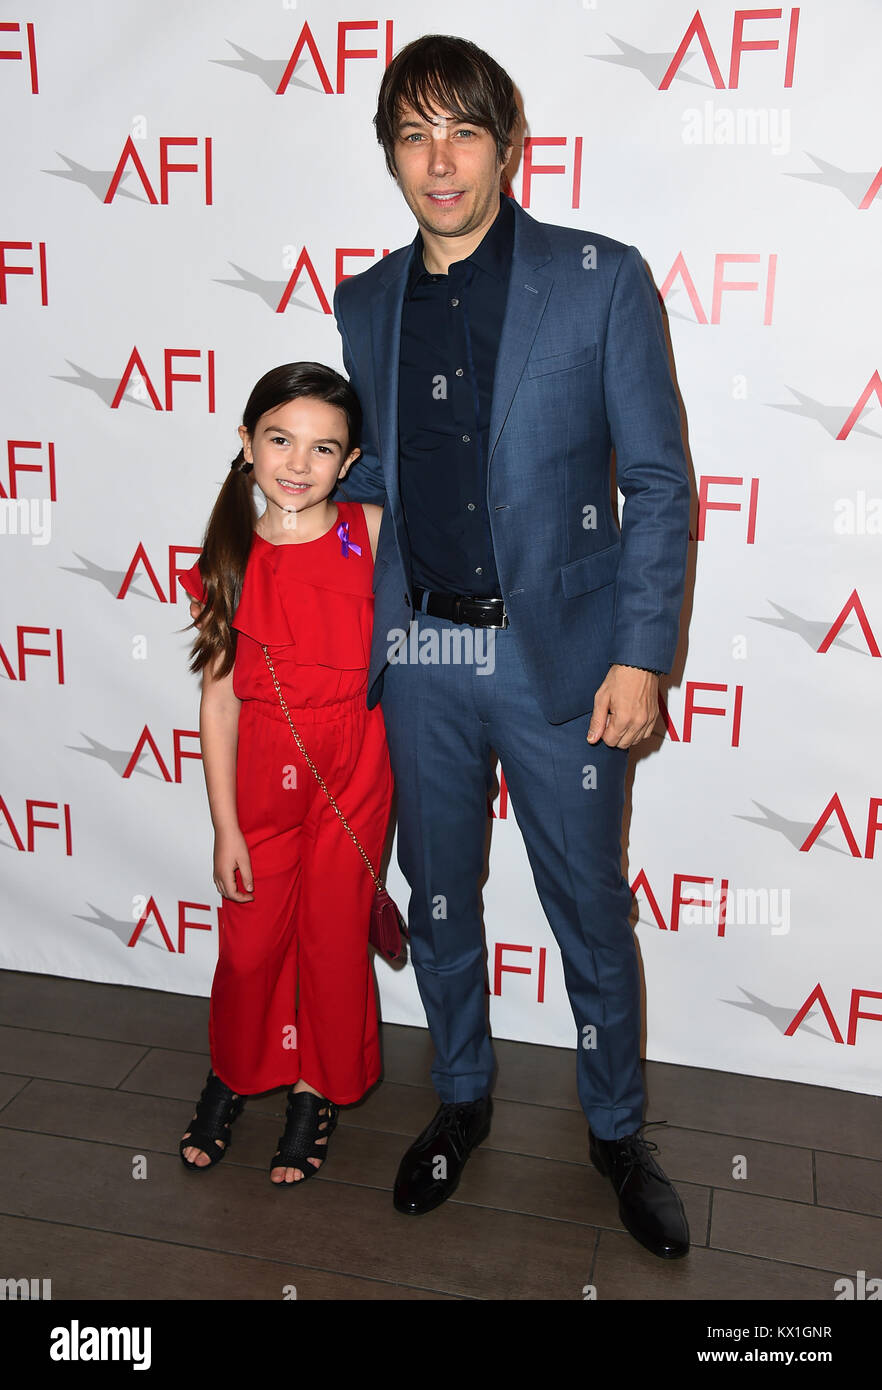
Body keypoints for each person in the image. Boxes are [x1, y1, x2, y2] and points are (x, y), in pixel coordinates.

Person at [330, 35, 692, 1257]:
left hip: (562, 667)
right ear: (389, 149)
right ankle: (464, 1097)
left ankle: (616, 1129)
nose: (438, 162)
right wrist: (291, 503)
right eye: (413, 134)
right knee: (442, 903)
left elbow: (653, 476)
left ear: (507, 144)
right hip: (423, 659)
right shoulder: (368, 300)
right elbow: (385, 468)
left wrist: (641, 656)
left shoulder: (599, 279)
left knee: (588, 908)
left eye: (462, 133)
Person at [177, 361, 392, 1185]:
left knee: (333, 940)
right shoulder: (230, 552)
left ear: (350, 460)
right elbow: (219, 703)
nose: (298, 464)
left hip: (356, 765)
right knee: (249, 945)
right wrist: (226, 825)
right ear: (246, 444)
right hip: (265, 766)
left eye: (323, 448)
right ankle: (233, 1074)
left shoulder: (366, 531)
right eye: (280, 440)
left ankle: (317, 1089)